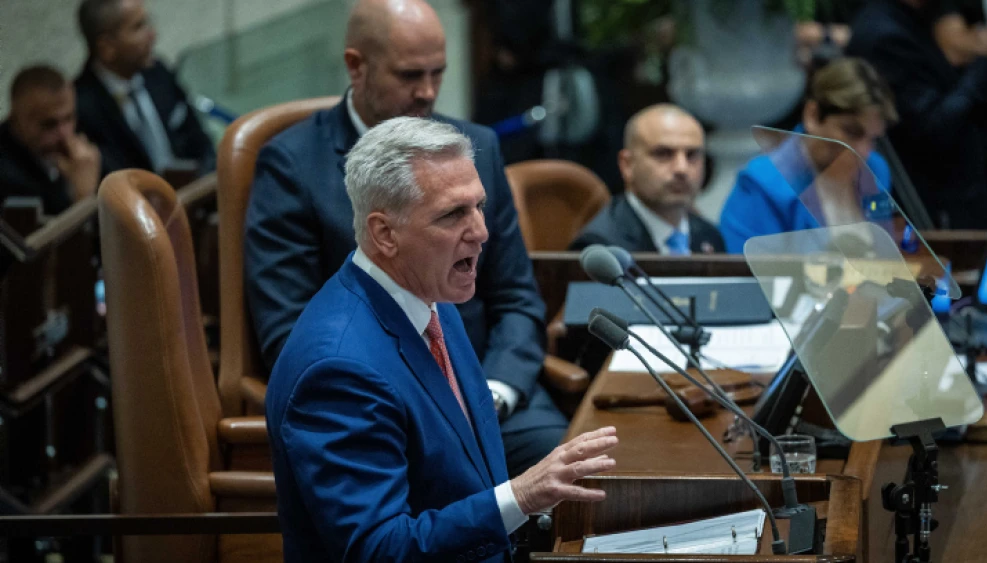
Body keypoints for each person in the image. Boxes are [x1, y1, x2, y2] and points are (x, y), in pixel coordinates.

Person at [266, 117, 618, 562]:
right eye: (453, 214)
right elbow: (378, 550)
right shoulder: (338, 369)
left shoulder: (433, 301)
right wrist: (521, 497)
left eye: (479, 206)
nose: (481, 231)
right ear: (384, 234)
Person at [245, 0, 567, 478]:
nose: (429, 92)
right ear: (356, 66)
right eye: (410, 75)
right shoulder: (294, 166)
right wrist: (415, 403)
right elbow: (288, 334)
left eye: (438, 72)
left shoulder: (474, 147)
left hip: (493, 393)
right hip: (386, 401)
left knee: (582, 475)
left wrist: (497, 390)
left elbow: (517, 298)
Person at [846, 0, 987, 229]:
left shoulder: (918, 16)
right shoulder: (884, 34)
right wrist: (983, 64)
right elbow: (933, 128)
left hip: (965, 192)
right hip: (936, 213)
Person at [719, 58, 898, 253]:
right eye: (851, 132)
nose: (863, 152)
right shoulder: (762, 186)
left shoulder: (877, 170)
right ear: (812, 115)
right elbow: (747, 276)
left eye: (872, 139)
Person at [74, 0, 215, 178]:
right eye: (138, 27)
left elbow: (201, 142)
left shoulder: (158, 72)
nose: (152, 35)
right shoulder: (80, 107)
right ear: (107, 47)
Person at [570, 104, 725, 255]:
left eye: (692, 155)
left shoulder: (710, 236)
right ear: (627, 165)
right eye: (663, 154)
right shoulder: (601, 248)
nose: (681, 168)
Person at [0, 65, 101, 215]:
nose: (65, 134)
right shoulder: (7, 177)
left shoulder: (84, 133)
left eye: (69, 118)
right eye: (49, 124)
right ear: (16, 121)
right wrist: (83, 197)